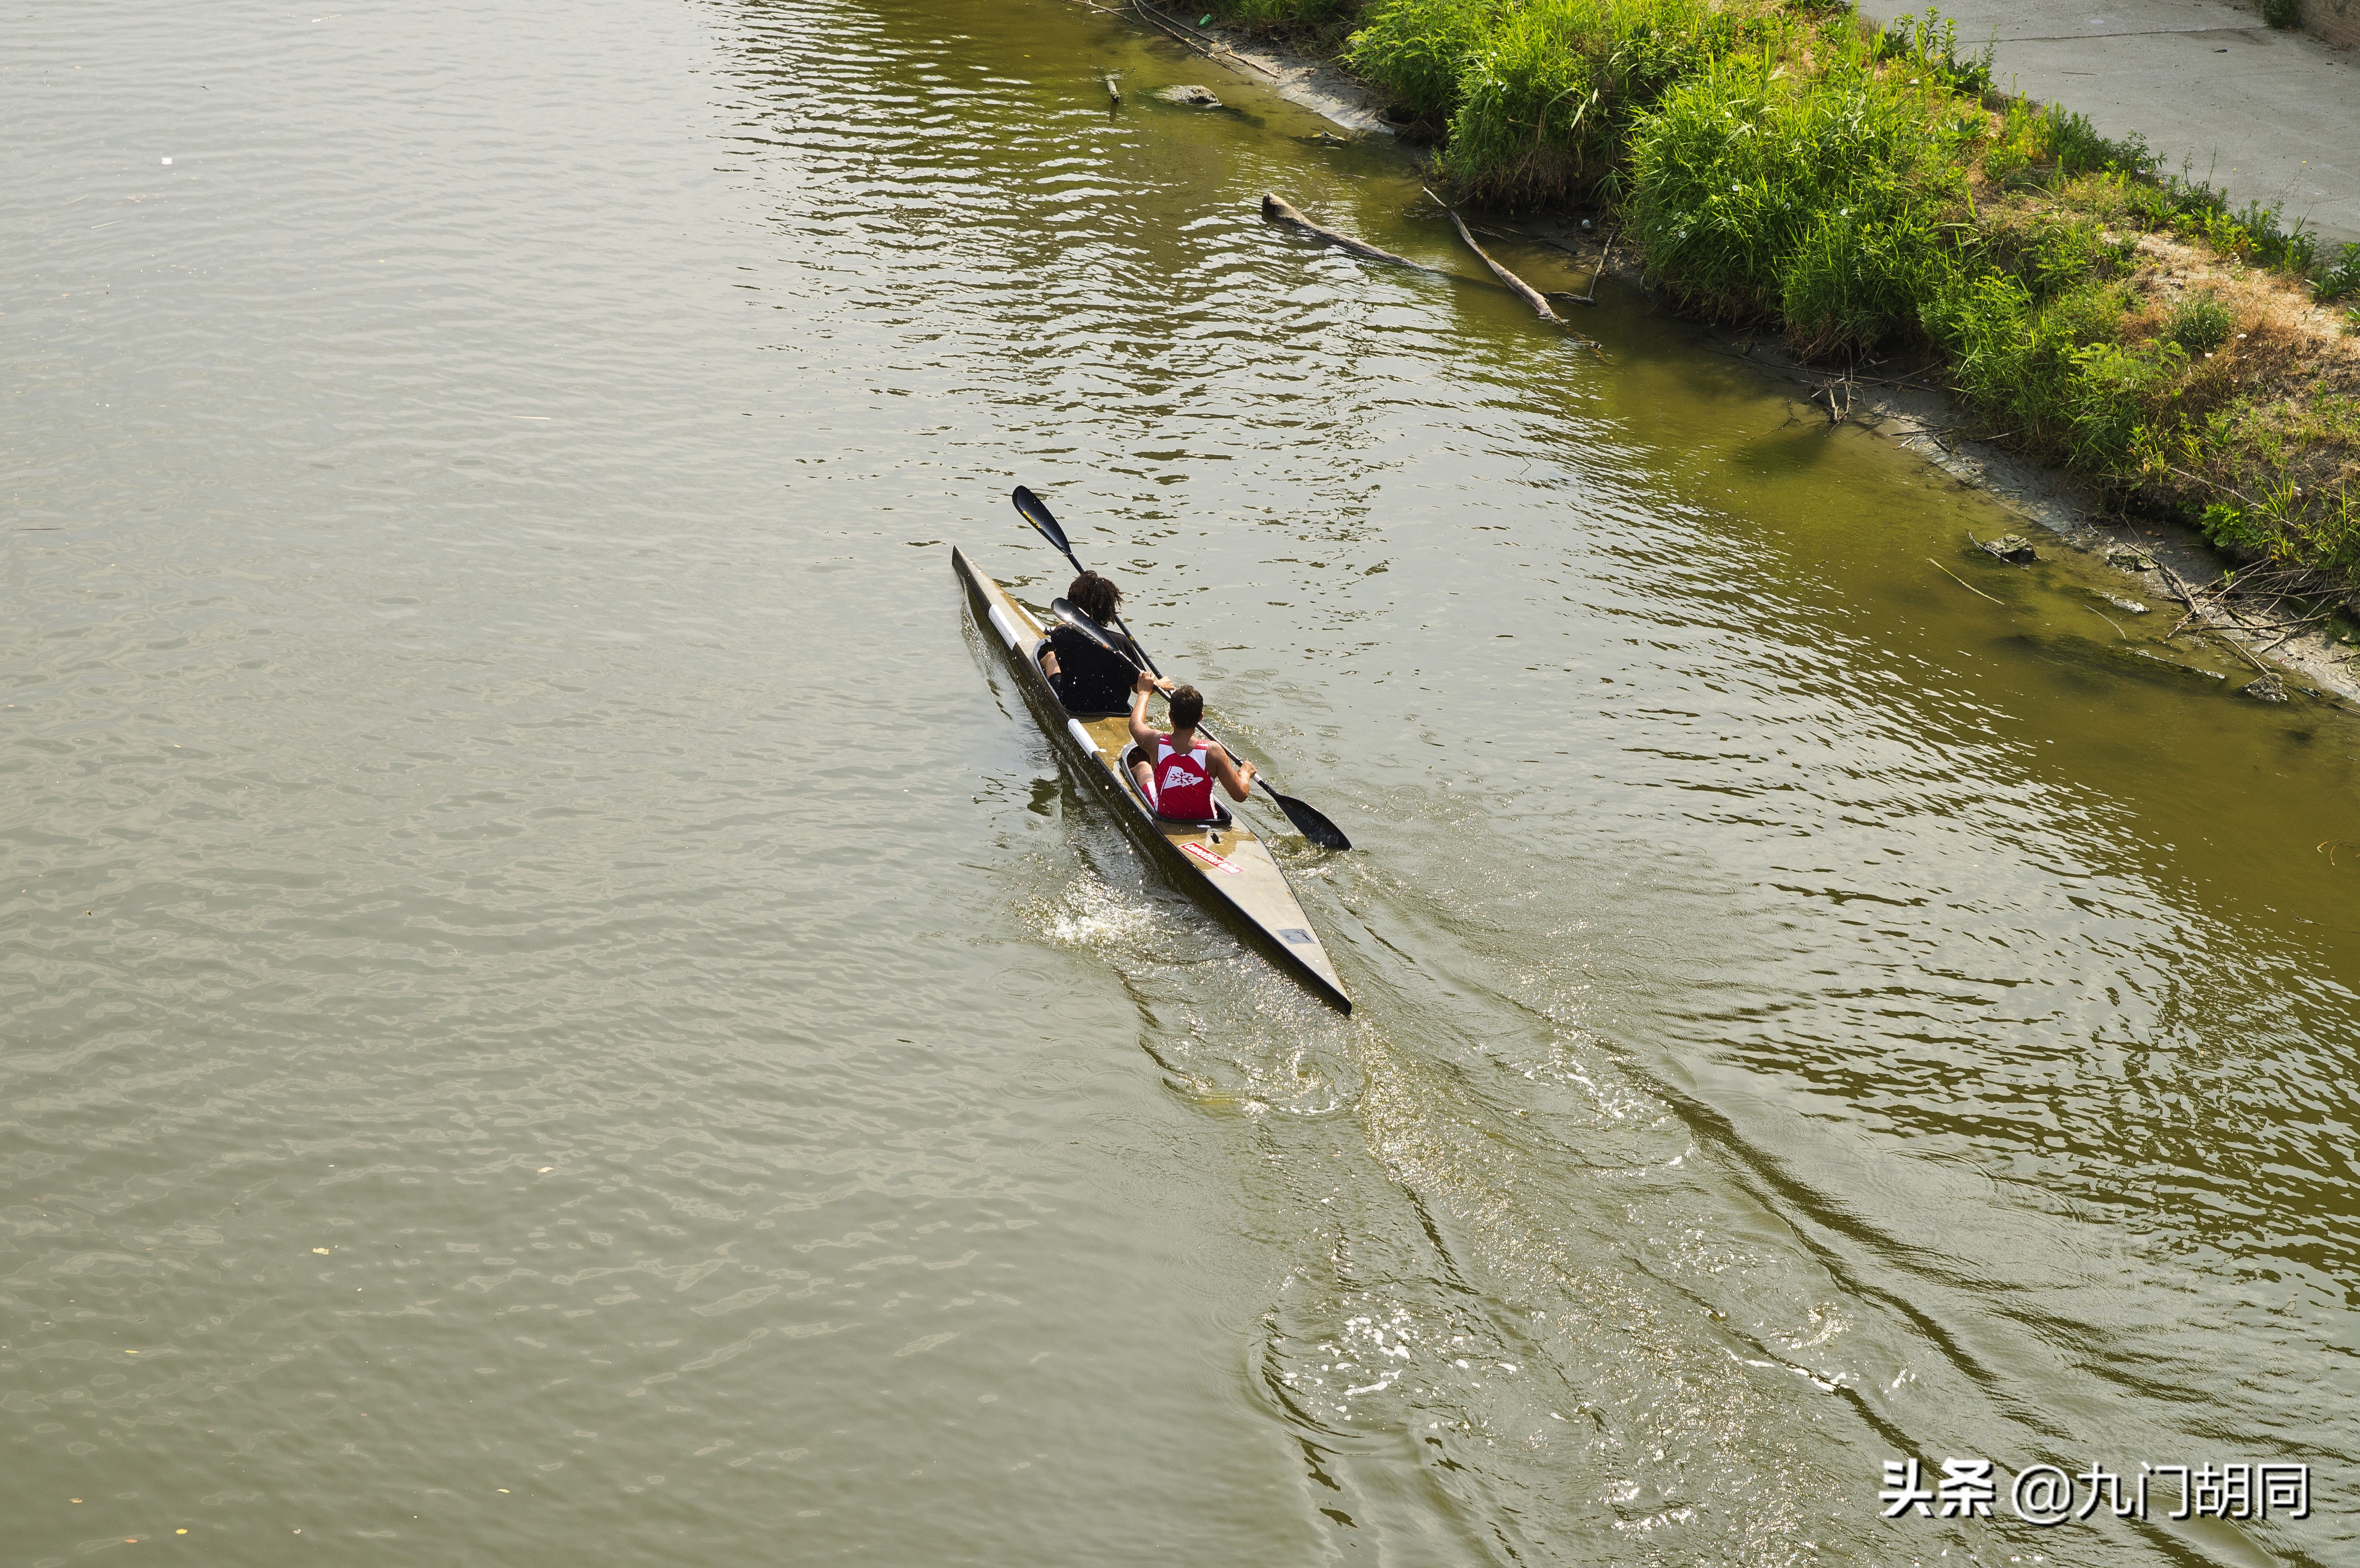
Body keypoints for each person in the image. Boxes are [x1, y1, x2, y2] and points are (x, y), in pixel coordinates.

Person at [1128, 670, 1256, 822]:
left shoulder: (1156, 742)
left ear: (1171, 718)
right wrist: (1245, 773)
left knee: (1143, 766)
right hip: (1207, 819)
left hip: (1166, 815)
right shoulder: (1213, 751)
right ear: (1200, 718)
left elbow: (1135, 724)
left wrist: (1144, 692)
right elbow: (1240, 795)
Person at [1038, 570, 1143, 713]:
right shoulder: (1121, 643)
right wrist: (1157, 683)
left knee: (1051, 657)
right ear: (1109, 611)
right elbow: (1138, 687)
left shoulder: (1061, 636)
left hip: (1074, 706)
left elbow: (1063, 624)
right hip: (1115, 709)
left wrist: (1074, 612)